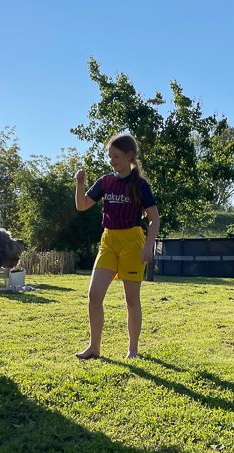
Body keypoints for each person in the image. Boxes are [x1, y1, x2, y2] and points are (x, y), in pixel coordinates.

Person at [74, 134, 161, 360]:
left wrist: (148, 246)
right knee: (94, 295)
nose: (111, 161)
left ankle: (133, 350)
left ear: (129, 156)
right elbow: (82, 205)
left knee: (131, 299)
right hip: (108, 241)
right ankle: (94, 347)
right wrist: (80, 184)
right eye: (109, 156)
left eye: (116, 156)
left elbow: (154, 219)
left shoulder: (140, 185)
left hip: (132, 241)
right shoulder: (105, 182)